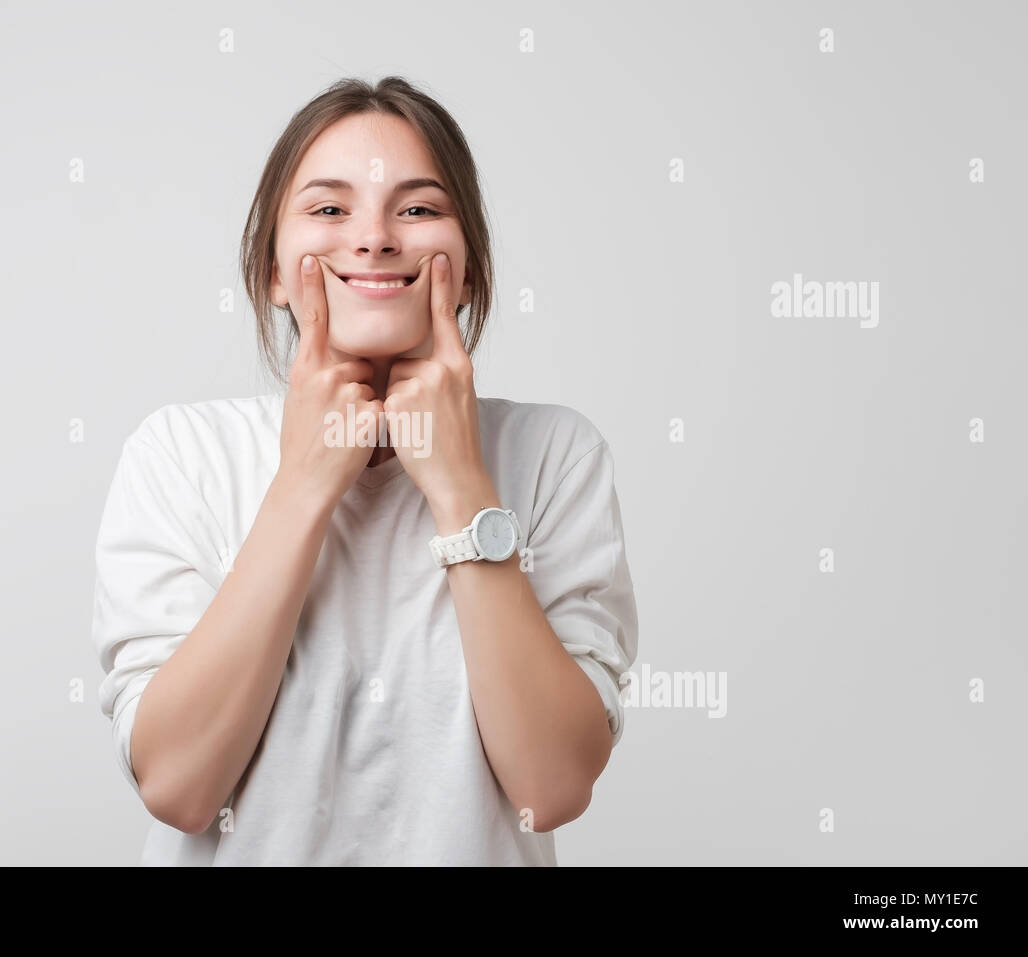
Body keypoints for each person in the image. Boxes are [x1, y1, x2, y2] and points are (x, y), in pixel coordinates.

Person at [91, 76, 638, 866]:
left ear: (470, 266)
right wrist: (305, 484)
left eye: (417, 209)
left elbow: (548, 788)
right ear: (274, 269)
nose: (375, 238)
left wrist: (461, 488)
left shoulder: (557, 455)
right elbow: (178, 786)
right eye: (328, 209)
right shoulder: (178, 455)